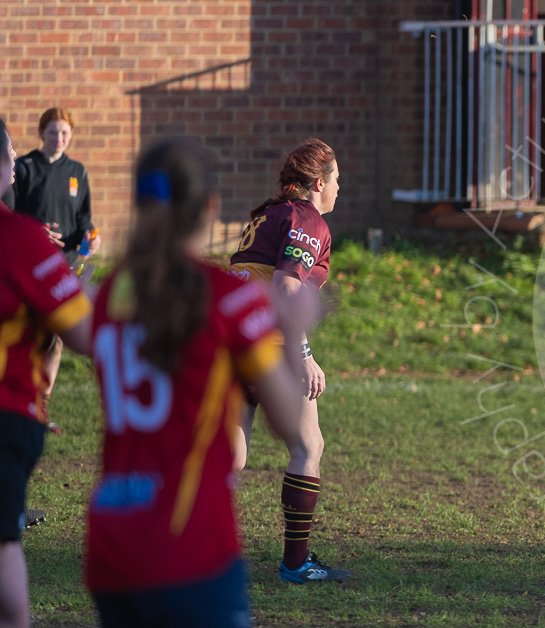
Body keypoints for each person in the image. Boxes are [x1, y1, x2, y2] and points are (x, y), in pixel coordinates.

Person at [85, 138, 320, 626]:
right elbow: (283, 416)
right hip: (187, 541)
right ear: (210, 208)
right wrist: (297, 322)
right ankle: (297, 561)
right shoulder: (223, 301)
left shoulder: (112, 294)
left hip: (111, 541)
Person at [227, 139, 349, 584]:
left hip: (232, 343)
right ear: (319, 183)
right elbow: (285, 288)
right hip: (269, 346)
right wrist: (304, 355)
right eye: (337, 180)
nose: (339, 189)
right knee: (307, 447)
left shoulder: (266, 213)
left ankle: (181, 551)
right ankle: (296, 564)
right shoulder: (307, 220)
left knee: (229, 459)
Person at [0, 116, 93, 627]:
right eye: (10, 152)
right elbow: (84, 332)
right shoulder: (20, 239)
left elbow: (87, 221)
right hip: (7, 411)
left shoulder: (75, 176)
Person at [2, 108, 97, 432]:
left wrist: (89, 237)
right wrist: (32, 232)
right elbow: (11, 211)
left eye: (65, 133)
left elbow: (85, 218)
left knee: (56, 336)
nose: (59, 138)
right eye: (53, 132)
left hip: (65, 261)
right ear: (42, 133)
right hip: (26, 262)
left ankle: (41, 403)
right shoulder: (26, 168)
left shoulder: (77, 172)